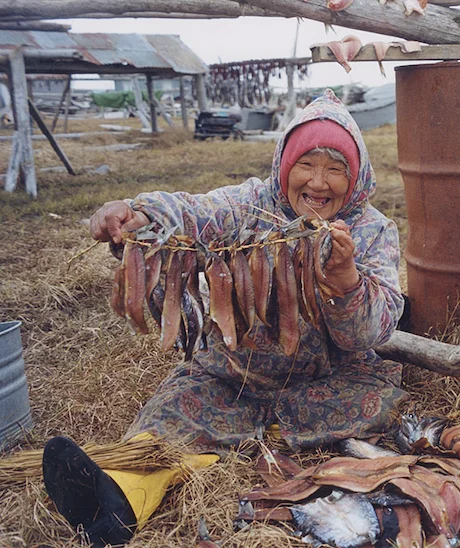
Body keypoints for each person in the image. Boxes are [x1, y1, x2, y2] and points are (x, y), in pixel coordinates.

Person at [42, 89, 409, 546]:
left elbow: (373, 332)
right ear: (283, 166)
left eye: (336, 169)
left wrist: (347, 281)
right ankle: (121, 498)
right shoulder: (249, 207)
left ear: (355, 177)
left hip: (331, 376)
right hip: (234, 374)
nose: (319, 182)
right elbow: (194, 213)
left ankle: (246, 435)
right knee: (169, 416)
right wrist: (141, 213)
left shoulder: (373, 230)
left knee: (378, 404)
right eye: (306, 164)